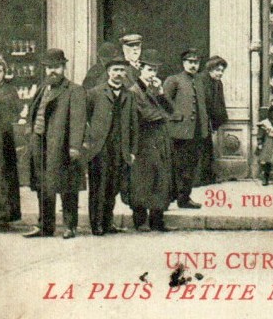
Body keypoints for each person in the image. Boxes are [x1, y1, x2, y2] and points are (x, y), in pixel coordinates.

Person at [24, 48, 86, 239]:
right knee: (43, 186)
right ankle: (45, 226)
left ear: (64, 67)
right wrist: (30, 130)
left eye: (56, 67)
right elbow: (33, 113)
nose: (52, 71)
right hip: (40, 145)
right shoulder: (42, 88)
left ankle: (70, 226)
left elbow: (78, 121)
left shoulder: (74, 90)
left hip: (62, 145)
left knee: (67, 187)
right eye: (49, 67)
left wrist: (74, 146)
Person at [85, 57, 137, 236]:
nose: (119, 74)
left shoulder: (129, 95)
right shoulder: (94, 93)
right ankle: (96, 224)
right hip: (100, 148)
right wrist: (88, 143)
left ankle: (108, 222)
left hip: (120, 148)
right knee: (98, 187)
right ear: (108, 72)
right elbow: (84, 120)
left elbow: (133, 124)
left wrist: (132, 150)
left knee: (113, 187)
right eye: (115, 70)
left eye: (122, 71)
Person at [129, 49, 174, 232]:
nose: (152, 74)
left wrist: (161, 92)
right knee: (142, 180)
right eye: (149, 70)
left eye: (155, 70)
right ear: (140, 69)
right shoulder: (134, 90)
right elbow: (146, 114)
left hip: (159, 139)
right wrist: (162, 115)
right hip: (144, 140)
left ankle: (157, 219)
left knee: (160, 179)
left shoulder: (155, 89)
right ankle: (140, 221)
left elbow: (172, 111)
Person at [163, 49, 209, 209]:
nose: (193, 65)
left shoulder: (200, 81)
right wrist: (175, 117)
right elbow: (164, 103)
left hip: (197, 131)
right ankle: (168, 198)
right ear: (183, 63)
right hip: (179, 131)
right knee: (176, 166)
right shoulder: (174, 80)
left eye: (196, 62)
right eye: (190, 62)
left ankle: (184, 198)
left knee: (190, 167)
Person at [0, 55, 21, 231]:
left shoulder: (10, 90)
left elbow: (17, 110)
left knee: (4, 176)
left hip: (5, 139)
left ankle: (4, 216)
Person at [200, 56, 229, 185]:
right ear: (210, 69)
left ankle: (207, 177)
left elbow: (219, 103)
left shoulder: (218, 83)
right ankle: (201, 178)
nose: (220, 73)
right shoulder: (201, 80)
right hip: (199, 120)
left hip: (209, 121)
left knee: (207, 148)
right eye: (218, 70)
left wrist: (217, 121)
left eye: (222, 71)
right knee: (201, 149)